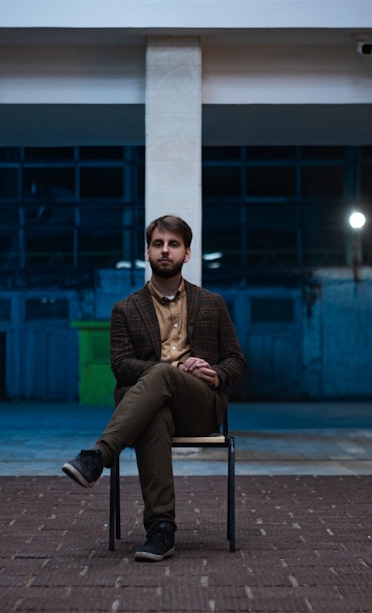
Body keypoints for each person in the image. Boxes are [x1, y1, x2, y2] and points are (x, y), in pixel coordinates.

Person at [63, 214, 246, 562]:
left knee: (162, 377)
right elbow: (120, 365)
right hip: (149, 409)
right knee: (155, 411)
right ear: (146, 252)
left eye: (173, 245)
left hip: (199, 406)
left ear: (187, 254)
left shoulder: (213, 303)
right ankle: (162, 531)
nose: (165, 251)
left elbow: (237, 361)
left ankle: (99, 456)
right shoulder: (125, 309)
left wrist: (215, 374)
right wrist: (172, 368)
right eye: (158, 244)